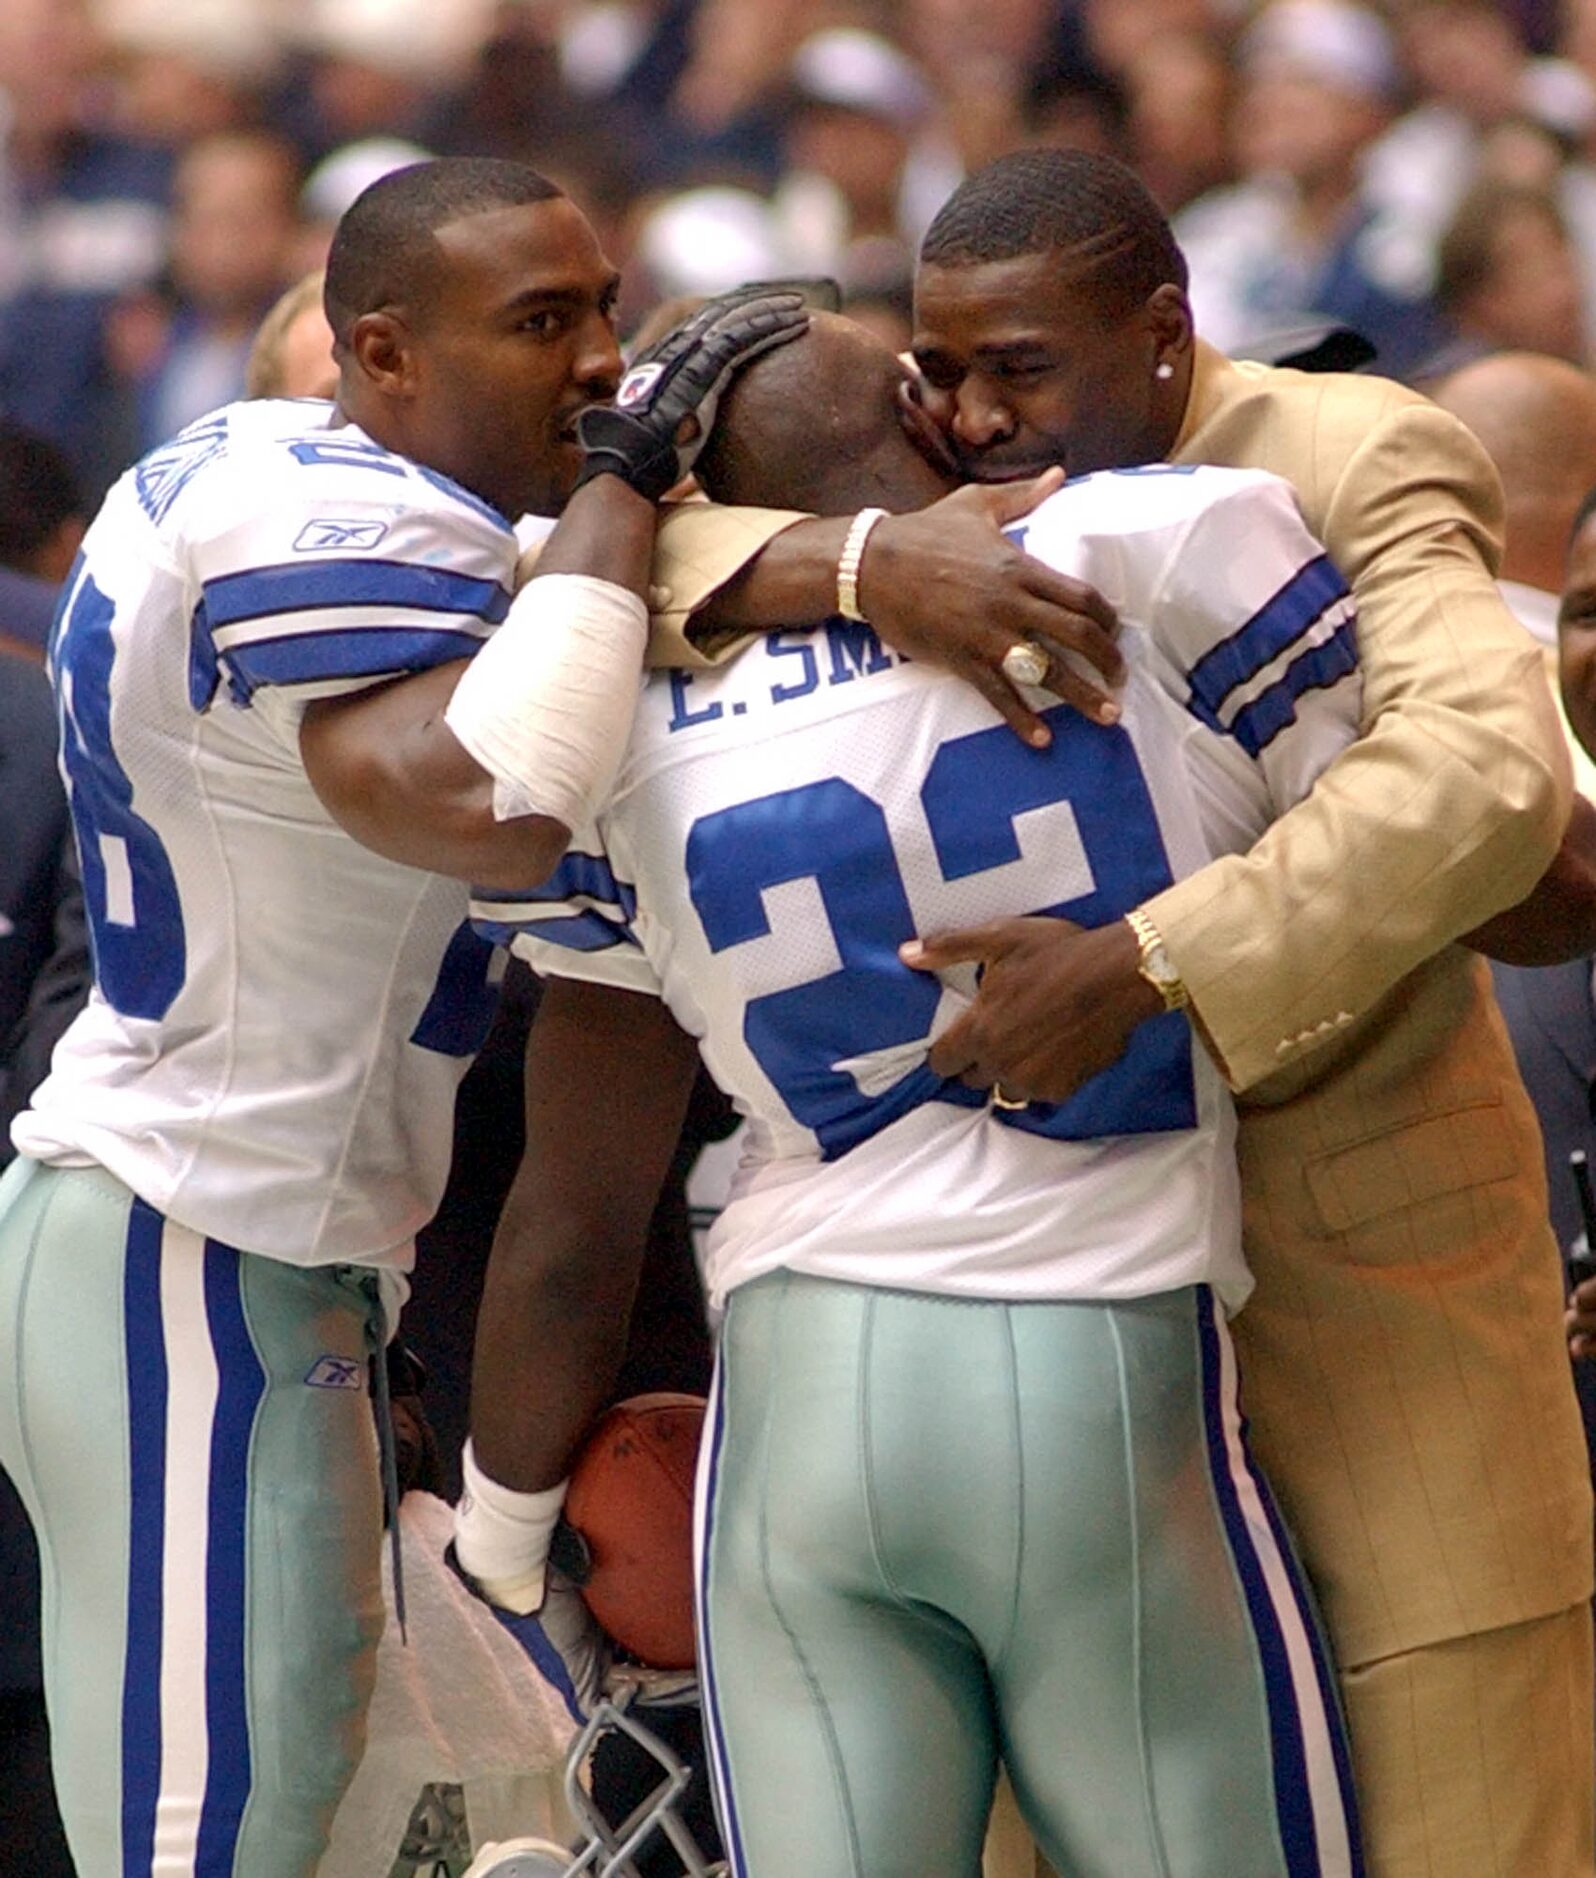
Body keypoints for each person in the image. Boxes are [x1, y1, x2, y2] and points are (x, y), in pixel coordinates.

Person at [632, 148, 1594, 1877]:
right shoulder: (911, 524)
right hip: (1070, 1375)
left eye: (1023, 369)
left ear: (1166, 333)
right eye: (944, 376)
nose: (978, 422)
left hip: (1371, 1325)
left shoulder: (1348, 447)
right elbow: (616, 554)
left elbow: (1484, 776)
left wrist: (1158, 956)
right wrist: (859, 565)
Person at [455, 308, 1366, 1877]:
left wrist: (500, 1543)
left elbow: (573, 1185)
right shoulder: (1150, 538)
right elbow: (1378, 836)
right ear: (912, 405)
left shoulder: (617, 691)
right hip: (1097, 1364)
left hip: (797, 1391)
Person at [0, 154, 819, 1878]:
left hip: (250, 1253)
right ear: (376, 356)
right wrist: (631, 482)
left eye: (605, 309)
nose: (602, 361)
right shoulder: (325, 510)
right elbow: (499, 785)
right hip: (187, 1244)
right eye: (542, 321)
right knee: (214, 1836)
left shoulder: (340, 496)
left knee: (294, 1810)